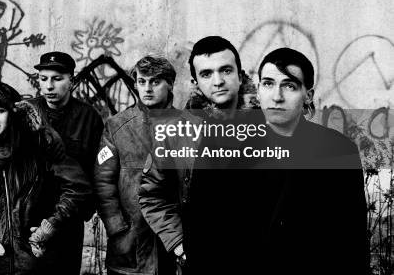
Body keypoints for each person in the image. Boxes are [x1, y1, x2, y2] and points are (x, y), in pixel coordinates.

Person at [139, 36, 263, 274]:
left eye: (226, 70)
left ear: (240, 74)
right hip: (200, 262)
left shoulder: (268, 128)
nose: (218, 81)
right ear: (196, 81)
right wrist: (178, 245)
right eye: (206, 74)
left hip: (258, 260)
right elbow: (151, 194)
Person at [255, 47, 368, 275]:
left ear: (308, 94)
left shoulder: (338, 151)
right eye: (267, 83)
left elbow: (352, 239)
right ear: (258, 91)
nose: (276, 96)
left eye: (289, 86)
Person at [0, 82, 91, 275]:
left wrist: (52, 223)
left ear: (13, 112)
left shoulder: (37, 145)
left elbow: (78, 186)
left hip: (36, 262)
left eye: (0, 110)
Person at [94, 56, 180, 275]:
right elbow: (103, 183)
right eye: (142, 81)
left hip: (173, 243)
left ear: (170, 84)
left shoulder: (188, 125)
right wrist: (117, 229)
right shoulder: (116, 126)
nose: (147, 88)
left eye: (155, 81)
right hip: (130, 244)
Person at [27, 51, 104, 274]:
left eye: (57, 78)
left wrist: (82, 211)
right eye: (43, 79)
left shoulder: (88, 118)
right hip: (29, 218)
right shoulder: (28, 112)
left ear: (72, 80)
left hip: (68, 222)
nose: (49, 86)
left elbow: (95, 171)